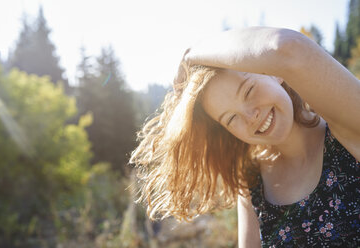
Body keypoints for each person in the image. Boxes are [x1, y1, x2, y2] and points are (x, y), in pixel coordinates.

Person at [130, 27, 360, 247]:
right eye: (231, 118)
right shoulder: (251, 181)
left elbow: (288, 47)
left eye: (249, 90)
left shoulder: (347, 130)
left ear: (274, 72)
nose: (250, 117)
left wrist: (192, 55)